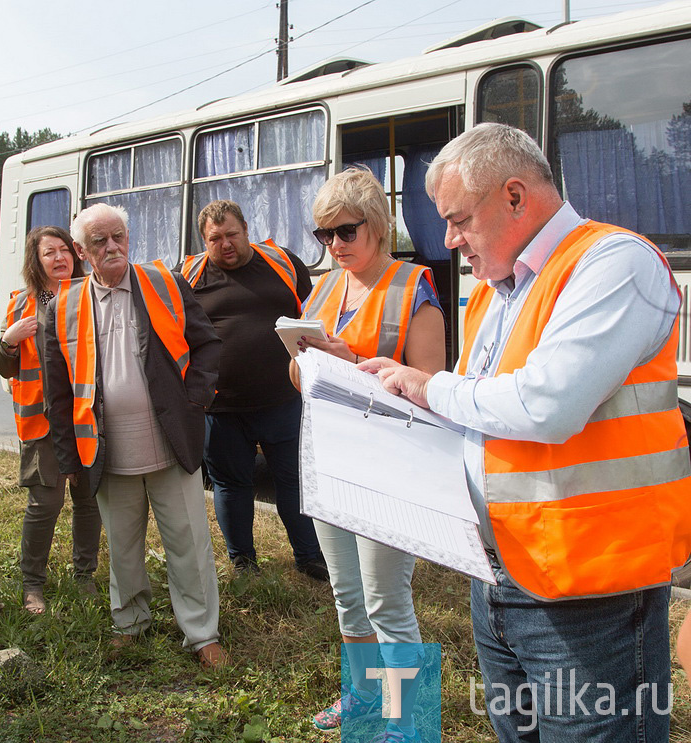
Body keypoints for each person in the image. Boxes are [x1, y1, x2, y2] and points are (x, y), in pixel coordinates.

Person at [360, 123, 691, 741]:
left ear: (514, 196)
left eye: (458, 220)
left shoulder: (615, 263)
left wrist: (426, 385)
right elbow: (477, 407)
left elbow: (548, 405)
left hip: (591, 592)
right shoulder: (495, 289)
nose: (449, 241)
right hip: (499, 575)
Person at [290, 167, 445, 739]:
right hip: (332, 461)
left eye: (345, 232)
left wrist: (344, 361)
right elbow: (298, 379)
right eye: (323, 236)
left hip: (390, 469)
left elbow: (428, 389)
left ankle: (408, 722)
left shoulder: (413, 288)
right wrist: (304, 357)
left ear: (377, 226)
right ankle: (360, 700)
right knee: (348, 596)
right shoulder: (327, 286)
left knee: (386, 601)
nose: (333, 246)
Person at [43, 203, 228, 667]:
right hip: (106, 449)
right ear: (82, 252)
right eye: (101, 241)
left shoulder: (165, 283)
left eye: (119, 237)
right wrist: (70, 462)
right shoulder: (62, 308)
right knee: (123, 547)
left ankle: (203, 634)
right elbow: (58, 396)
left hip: (171, 442)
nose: (113, 248)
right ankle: (129, 623)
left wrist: (196, 400)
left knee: (188, 543)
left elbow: (207, 343)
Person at [182, 200, 327, 580]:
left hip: (283, 399)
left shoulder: (283, 262)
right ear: (204, 241)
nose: (225, 244)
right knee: (231, 485)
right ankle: (243, 562)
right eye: (215, 239)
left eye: (231, 234)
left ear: (246, 229)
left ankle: (309, 557)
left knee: (294, 481)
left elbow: (310, 316)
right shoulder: (189, 275)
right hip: (220, 407)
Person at [0, 225, 102, 614]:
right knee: (45, 503)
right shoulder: (25, 303)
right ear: (35, 261)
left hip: (87, 415)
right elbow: (4, 367)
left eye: (63, 251)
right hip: (42, 421)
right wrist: (9, 338)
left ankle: (84, 575)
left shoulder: (90, 295)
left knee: (89, 499)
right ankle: (32, 584)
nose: (59, 258)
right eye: (48, 253)